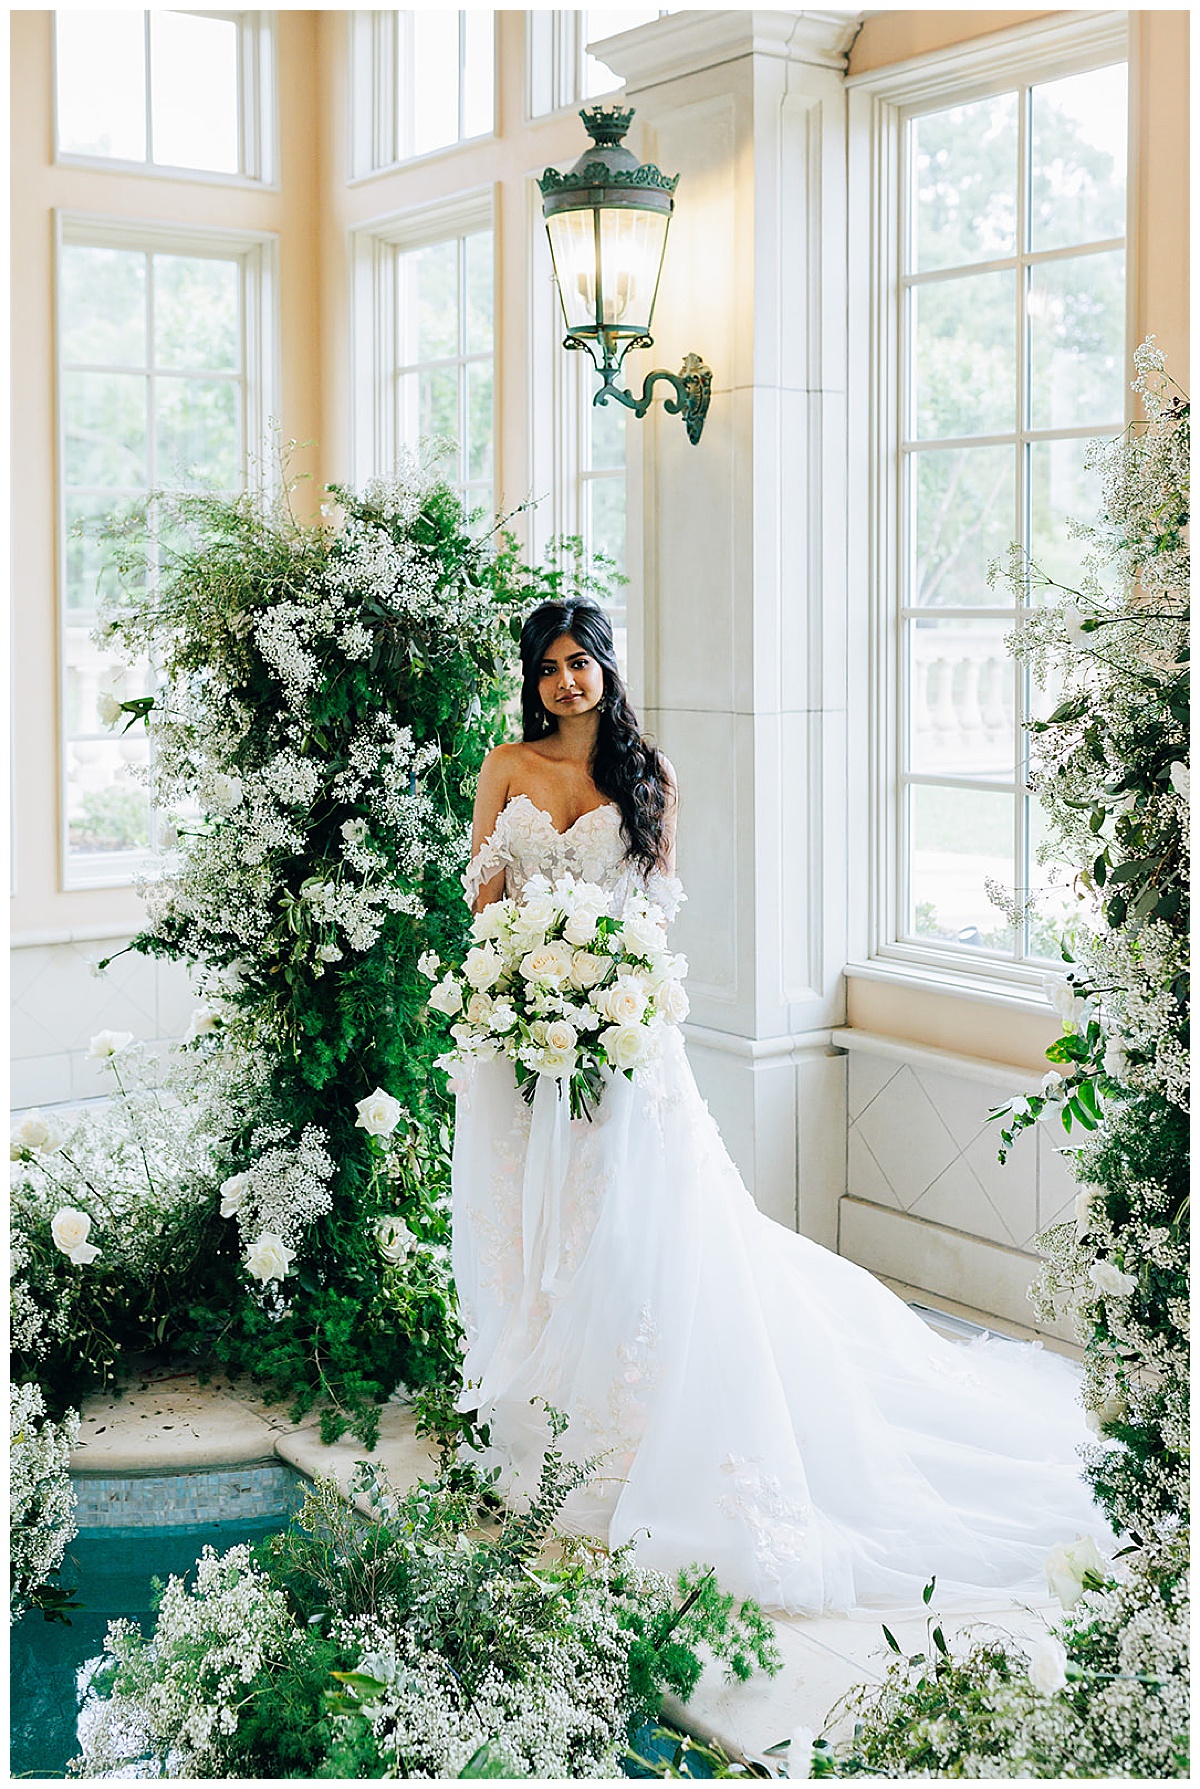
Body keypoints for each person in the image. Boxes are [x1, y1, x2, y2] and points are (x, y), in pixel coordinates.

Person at [451, 598, 1111, 1617]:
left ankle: (629, 1433)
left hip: (622, 1037)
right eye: (546, 666)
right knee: (533, 1225)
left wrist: (598, 994)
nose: (565, 680)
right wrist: (513, 991)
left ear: (607, 666)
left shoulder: (647, 774)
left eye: (580, 661)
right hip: (522, 1036)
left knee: (631, 1230)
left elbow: (656, 911)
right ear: (530, 680)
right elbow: (484, 900)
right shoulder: (505, 765)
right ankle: (546, 1420)